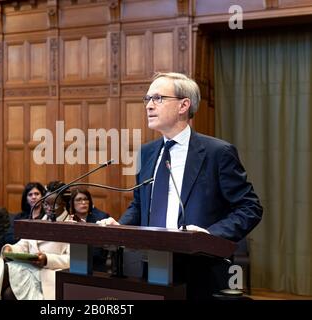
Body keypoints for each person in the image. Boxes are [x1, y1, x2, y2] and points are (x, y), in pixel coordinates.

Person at [99, 72, 263, 299]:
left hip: (200, 268)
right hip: (152, 265)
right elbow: (139, 205)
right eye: (147, 99)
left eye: (157, 98)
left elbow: (250, 208)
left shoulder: (217, 153)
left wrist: (209, 235)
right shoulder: (146, 153)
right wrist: (121, 227)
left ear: (183, 105)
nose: (149, 106)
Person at [1, 190, 71, 300]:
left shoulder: (74, 226)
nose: (49, 208)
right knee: (3, 271)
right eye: (46, 204)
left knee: (9, 294)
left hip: (51, 273)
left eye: (54, 204)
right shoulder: (39, 221)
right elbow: (24, 244)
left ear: (64, 204)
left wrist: (47, 259)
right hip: (32, 268)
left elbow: (73, 260)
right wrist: (11, 249)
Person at [70, 187, 110, 271]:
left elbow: (98, 252)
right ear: (72, 203)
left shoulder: (101, 219)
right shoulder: (68, 219)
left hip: (95, 266)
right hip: (70, 263)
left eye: (86, 199)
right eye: (79, 200)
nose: (83, 202)